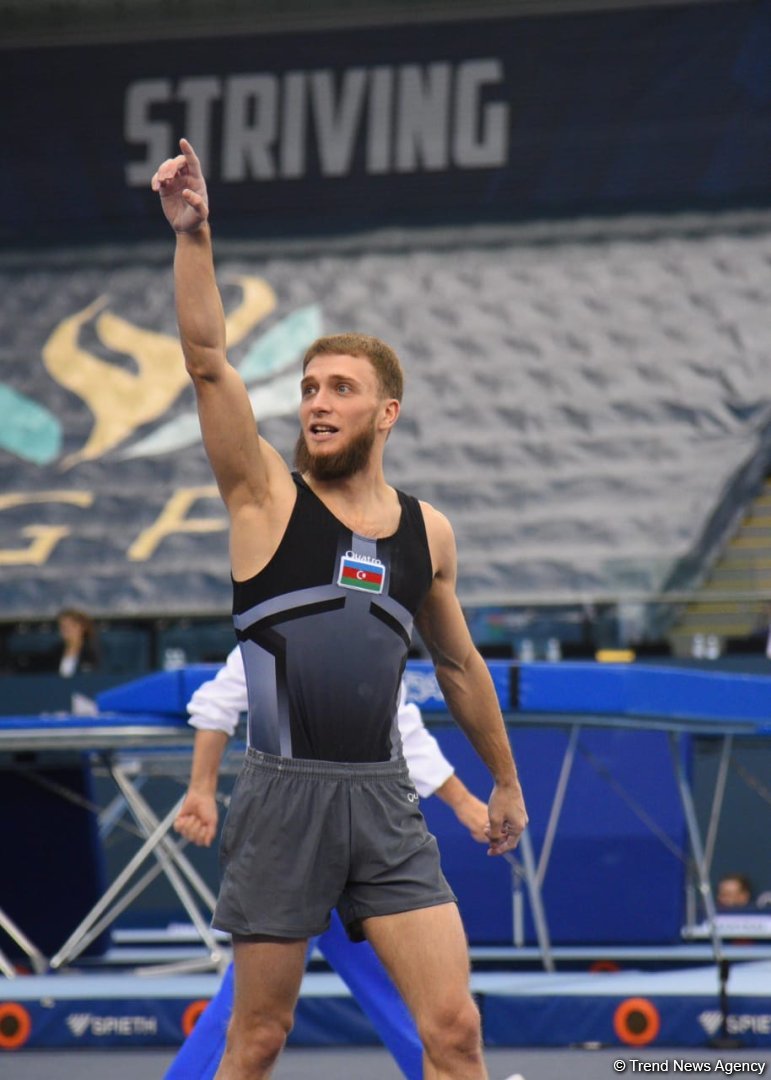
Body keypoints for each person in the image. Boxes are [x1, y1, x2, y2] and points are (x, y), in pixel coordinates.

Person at [152, 138, 527, 1080]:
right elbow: (206, 361)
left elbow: (459, 668)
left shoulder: (426, 534)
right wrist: (196, 235)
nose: (317, 403)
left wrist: (505, 780)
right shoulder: (266, 502)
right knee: (259, 1039)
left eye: (340, 390)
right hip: (283, 796)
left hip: (383, 798)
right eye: (309, 388)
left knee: (455, 1035)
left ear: (386, 411)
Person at [166, 650, 489, 1080]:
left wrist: (467, 804)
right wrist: (201, 791)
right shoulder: (273, 623)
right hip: (291, 837)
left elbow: (403, 726)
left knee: (438, 1019)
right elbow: (215, 704)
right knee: (256, 1025)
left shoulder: (376, 634)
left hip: (368, 838)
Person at [55, 608, 100, 677]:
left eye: (72, 626)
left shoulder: (93, 653)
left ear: (83, 627)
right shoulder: (54, 654)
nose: (67, 630)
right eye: (63, 626)